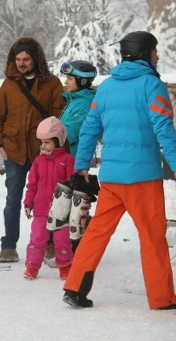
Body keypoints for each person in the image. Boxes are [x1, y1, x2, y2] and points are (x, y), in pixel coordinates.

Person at [62, 31, 176, 310]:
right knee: (152, 236)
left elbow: (90, 128)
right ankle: (162, 298)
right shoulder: (152, 86)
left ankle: (75, 289)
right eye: (154, 51)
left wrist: (82, 165)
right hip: (143, 179)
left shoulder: (108, 88)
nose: (157, 56)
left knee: (97, 233)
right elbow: (164, 130)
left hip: (112, 178)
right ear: (143, 52)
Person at [0, 37, 65, 263]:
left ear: (36, 59)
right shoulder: (9, 85)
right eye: (18, 59)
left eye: (26, 59)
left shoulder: (52, 84)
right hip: (13, 152)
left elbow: (59, 118)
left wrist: (53, 147)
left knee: (48, 199)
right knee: (13, 199)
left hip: (43, 153)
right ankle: (9, 246)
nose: (21, 63)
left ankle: (49, 244)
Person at [22, 117, 74, 280]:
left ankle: (65, 266)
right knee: (37, 239)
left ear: (58, 141)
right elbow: (32, 185)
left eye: (47, 142)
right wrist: (28, 203)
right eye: (42, 142)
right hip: (42, 209)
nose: (43, 146)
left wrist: (74, 205)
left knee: (62, 240)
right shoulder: (38, 162)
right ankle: (32, 266)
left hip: (61, 210)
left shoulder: (67, 161)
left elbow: (73, 184)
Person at [58, 60, 97, 157]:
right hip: (65, 156)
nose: (65, 82)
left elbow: (69, 134)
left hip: (73, 158)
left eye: (70, 79)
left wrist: (48, 143)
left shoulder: (85, 103)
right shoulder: (74, 100)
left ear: (82, 81)